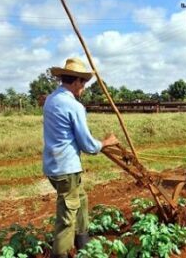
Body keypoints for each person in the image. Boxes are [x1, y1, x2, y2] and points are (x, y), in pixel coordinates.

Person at [43, 57, 119, 258]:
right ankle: (60, 254)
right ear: (76, 81)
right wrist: (106, 142)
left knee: (81, 200)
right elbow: (88, 145)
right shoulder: (74, 106)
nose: (84, 87)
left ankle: (83, 243)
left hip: (53, 165)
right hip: (66, 168)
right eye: (83, 83)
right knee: (67, 217)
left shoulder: (51, 99)